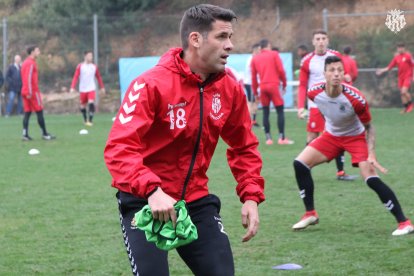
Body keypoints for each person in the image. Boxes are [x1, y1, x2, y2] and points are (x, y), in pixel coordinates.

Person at [104, 4, 265, 276]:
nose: (230, 45)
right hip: (145, 201)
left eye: (231, 37)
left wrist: (251, 196)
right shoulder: (150, 84)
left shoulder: (229, 88)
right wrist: (153, 191)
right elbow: (119, 147)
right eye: (222, 37)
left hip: (195, 200)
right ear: (195, 39)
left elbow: (243, 146)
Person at [292, 55, 413, 236]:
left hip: (356, 137)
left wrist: (371, 153)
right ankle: (310, 213)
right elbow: (327, 112)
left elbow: (369, 127)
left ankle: (405, 222)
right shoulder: (314, 92)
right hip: (332, 136)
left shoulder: (356, 98)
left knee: (370, 178)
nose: (336, 74)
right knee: (300, 164)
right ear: (324, 73)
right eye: (332, 70)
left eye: (340, 70)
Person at [297, 29, 355, 181]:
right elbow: (302, 85)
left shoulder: (335, 56)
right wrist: (300, 106)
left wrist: (347, 78)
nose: (321, 41)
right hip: (316, 103)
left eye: (323, 38)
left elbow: (345, 75)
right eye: (318, 38)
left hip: (335, 102)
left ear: (327, 41)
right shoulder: (307, 60)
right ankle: (303, 166)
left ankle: (340, 172)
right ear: (313, 41)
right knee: (312, 135)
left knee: (339, 133)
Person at [251, 39, 294, 145]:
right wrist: (284, 84)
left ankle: (268, 139)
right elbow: (281, 71)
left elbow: (253, 77)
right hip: (274, 86)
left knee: (265, 112)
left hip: (263, 87)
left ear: (260, 48)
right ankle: (281, 138)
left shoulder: (255, 58)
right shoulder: (274, 54)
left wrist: (256, 93)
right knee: (280, 111)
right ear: (269, 46)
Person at [21, 45, 55, 141]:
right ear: (32, 52)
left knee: (27, 113)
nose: (39, 52)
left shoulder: (25, 62)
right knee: (39, 111)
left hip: (25, 90)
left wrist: (26, 90)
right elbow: (28, 77)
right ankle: (45, 134)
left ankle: (25, 134)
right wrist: (29, 92)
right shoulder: (31, 63)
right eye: (37, 51)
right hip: (32, 92)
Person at [70, 50, 105, 126]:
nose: (91, 57)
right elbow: (75, 76)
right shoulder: (80, 66)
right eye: (89, 56)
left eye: (91, 56)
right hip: (82, 89)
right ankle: (85, 120)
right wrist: (72, 87)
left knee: (91, 102)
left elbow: (98, 77)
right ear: (85, 56)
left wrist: (102, 87)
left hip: (91, 88)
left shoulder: (94, 67)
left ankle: (90, 120)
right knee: (82, 106)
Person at [376, 43, 413, 113]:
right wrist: (382, 70)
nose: (400, 49)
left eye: (401, 47)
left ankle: (411, 105)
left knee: (404, 91)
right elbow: (390, 67)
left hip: (408, 76)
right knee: (402, 93)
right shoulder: (396, 58)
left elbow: (413, 65)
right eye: (399, 48)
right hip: (400, 77)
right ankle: (405, 108)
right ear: (397, 49)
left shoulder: (408, 56)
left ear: (404, 48)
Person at [243, 43, 261, 127]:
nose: (260, 51)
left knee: (255, 102)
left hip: (254, 83)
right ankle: (249, 121)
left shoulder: (255, 59)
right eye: (259, 50)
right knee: (250, 102)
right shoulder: (251, 59)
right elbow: (253, 71)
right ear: (255, 50)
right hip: (250, 83)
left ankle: (253, 120)